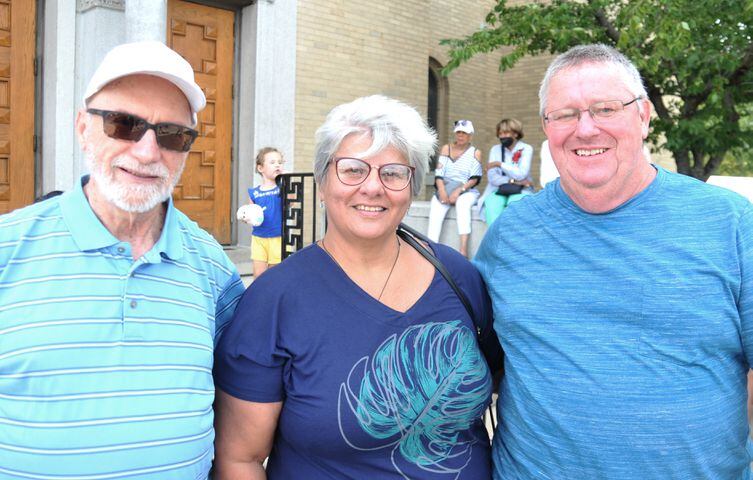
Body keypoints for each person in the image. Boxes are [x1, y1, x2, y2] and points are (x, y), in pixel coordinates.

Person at [474, 43, 753, 479]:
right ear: (547, 126)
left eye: (605, 109)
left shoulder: (731, 224)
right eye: (565, 114)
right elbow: (478, 366)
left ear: (643, 116)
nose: (585, 129)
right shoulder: (510, 235)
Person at [213, 95, 494, 479]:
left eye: (393, 173)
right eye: (352, 170)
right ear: (322, 183)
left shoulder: (458, 276)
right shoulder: (274, 300)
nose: (373, 187)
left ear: (411, 187)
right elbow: (239, 458)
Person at [0, 41, 245, 479]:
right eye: (124, 124)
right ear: (82, 127)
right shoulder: (7, 248)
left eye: (172, 134)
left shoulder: (213, 269)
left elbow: (237, 403)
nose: (149, 152)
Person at [427, 119, 483, 257]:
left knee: (463, 205)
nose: (460, 135)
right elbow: (439, 174)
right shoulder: (447, 148)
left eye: (464, 133)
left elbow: (475, 178)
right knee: (436, 207)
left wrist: (459, 191)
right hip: (445, 187)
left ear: (470, 135)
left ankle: (463, 250)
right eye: (458, 132)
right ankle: (430, 250)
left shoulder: (475, 152)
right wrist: (442, 191)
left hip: (466, 189)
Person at [477, 118, 534, 225]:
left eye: (506, 133)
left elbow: (522, 174)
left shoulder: (526, 149)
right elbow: (492, 178)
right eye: (500, 133)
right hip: (497, 190)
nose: (502, 136)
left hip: (521, 190)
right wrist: (513, 181)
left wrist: (499, 164)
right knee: (491, 204)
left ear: (515, 134)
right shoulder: (495, 149)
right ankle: (494, 239)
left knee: (515, 205)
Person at [248, 147, 284, 277]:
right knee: (259, 275)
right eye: (272, 162)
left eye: (280, 162)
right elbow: (250, 214)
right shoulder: (254, 193)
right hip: (258, 237)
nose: (277, 165)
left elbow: (291, 204)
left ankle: (273, 297)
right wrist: (246, 216)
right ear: (260, 168)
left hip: (277, 237)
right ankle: (259, 297)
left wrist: (287, 185)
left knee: (275, 275)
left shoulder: (282, 188)